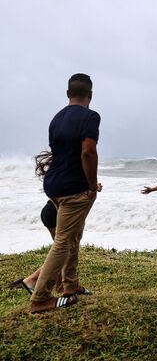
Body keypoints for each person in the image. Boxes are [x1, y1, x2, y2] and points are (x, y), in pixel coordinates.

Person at [29, 73, 101, 314]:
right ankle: (39, 298)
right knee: (63, 242)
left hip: (54, 185)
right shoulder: (90, 116)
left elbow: (61, 154)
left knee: (72, 237)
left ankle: (70, 286)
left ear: (68, 94)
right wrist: (92, 185)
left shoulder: (56, 118)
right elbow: (87, 152)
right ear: (90, 95)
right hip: (74, 189)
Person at [10, 152, 102, 295]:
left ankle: (59, 286)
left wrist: (94, 185)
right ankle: (31, 281)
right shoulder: (75, 170)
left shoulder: (63, 171)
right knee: (64, 251)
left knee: (65, 250)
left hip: (49, 211)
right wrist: (92, 187)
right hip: (53, 213)